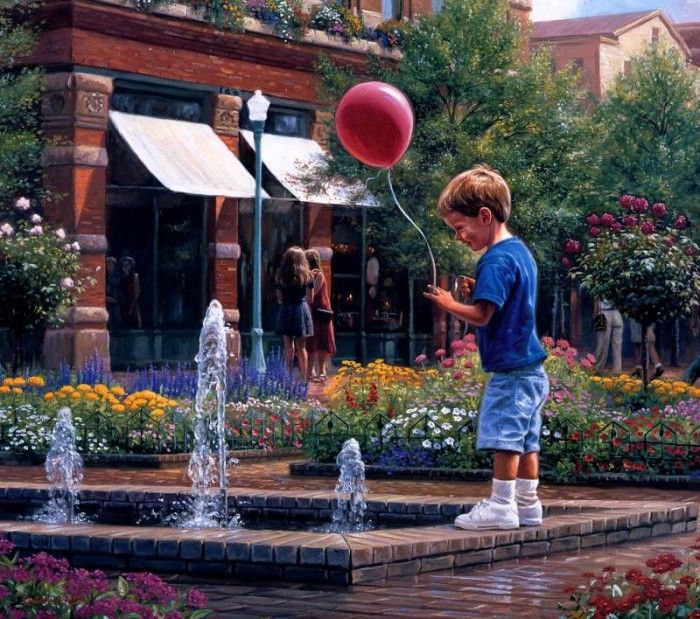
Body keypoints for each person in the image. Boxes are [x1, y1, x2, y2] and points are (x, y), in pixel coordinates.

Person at [424, 165, 548, 531]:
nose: (459, 237)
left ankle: (501, 506)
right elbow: (504, 301)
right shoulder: (519, 252)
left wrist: (447, 302)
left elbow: (481, 315)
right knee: (527, 440)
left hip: (509, 369)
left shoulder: (494, 259)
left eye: (461, 228)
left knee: (504, 436)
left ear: (484, 215)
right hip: (532, 368)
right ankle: (529, 504)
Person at [275, 246, 314, 379]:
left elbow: (279, 298)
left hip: (286, 309)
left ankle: (288, 376)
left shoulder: (280, 275)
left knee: (288, 345)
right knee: (302, 347)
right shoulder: (307, 275)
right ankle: (304, 378)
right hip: (300, 309)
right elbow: (311, 298)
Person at [305, 248, 336, 383]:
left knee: (322, 342)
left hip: (320, 312)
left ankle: (322, 371)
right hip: (311, 312)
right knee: (311, 342)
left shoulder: (319, 275)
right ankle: (310, 370)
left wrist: (309, 278)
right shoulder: (308, 275)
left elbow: (313, 292)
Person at [592, 298, 623, 375]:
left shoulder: (599, 286)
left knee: (603, 343)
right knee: (613, 345)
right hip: (612, 313)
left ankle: (598, 368)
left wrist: (595, 315)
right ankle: (616, 370)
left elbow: (596, 299)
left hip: (606, 312)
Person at [120, 256, 142, 328]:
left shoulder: (135, 276)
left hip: (132, 299)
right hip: (124, 298)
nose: (126, 267)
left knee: (133, 315)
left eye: (127, 265)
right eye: (124, 265)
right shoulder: (122, 276)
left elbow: (137, 290)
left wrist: (133, 302)